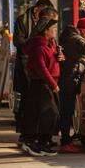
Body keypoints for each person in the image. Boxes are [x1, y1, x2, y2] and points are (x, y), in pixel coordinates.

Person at [13, 0, 54, 144]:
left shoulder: (46, 24)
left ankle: (41, 135)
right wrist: (34, 44)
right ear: (37, 10)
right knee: (25, 102)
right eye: (42, 13)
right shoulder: (22, 21)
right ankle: (26, 135)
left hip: (39, 68)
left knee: (39, 105)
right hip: (25, 67)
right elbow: (18, 42)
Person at [20, 16, 62, 157]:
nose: (55, 31)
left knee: (49, 115)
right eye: (53, 29)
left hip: (49, 84)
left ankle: (45, 143)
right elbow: (41, 69)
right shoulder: (38, 47)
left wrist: (61, 57)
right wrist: (53, 85)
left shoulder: (52, 44)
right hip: (41, 85)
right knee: (46, 114)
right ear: (45, 30)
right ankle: (36, 144)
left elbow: (53, 60)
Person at [57, 18, 85, 153]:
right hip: (68, 78)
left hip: (67, 76)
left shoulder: (69, 36)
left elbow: (76, 55)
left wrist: (82, 59)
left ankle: (67, 138)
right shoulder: (75, 38)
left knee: (67, 109)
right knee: (66, 110)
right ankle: (65, 141)